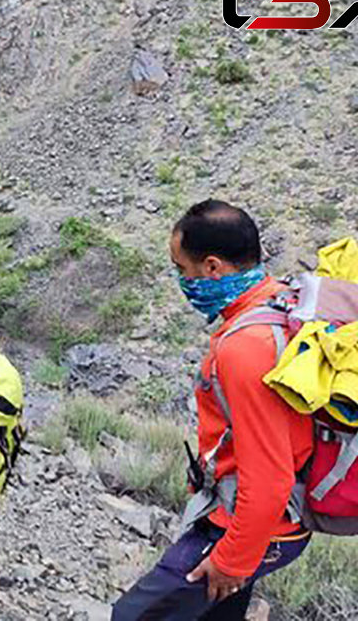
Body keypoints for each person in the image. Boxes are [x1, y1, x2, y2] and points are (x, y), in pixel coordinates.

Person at [112, 200, 314, 621]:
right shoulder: (279, 301)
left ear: (212, 268)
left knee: (133, 616)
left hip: (251, 524)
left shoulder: (246, 347)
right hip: (270, 520)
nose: (181, 280)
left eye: (181, 269)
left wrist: (232, 560)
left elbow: (270, 477)